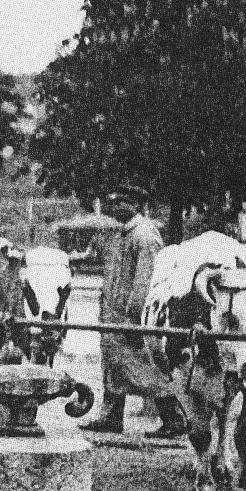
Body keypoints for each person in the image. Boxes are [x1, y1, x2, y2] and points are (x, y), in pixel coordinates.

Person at [83, 186, 189, 437]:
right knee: (112, 367)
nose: (114, 208)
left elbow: (147, 278)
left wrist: (135, 317)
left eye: (121, 203)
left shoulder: (144, 235)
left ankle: (173, 418)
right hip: (112, 313)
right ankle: (110, 417)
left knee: (145, 368)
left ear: (134, 205)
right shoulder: (121, 233)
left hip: (132, 318)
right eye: (113, 203)